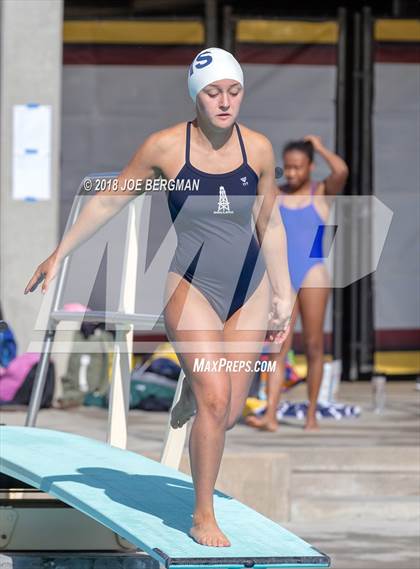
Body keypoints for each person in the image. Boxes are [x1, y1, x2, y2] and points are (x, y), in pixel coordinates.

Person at [24, 48, 293, 547]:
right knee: (216, 400)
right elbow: (109, 198)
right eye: (213, 92)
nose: (225, 101)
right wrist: (60, 253)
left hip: (248, 288)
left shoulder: (257, 148)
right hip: (192, 285)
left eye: (234, 91)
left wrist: (284, 290)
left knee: (229, 411)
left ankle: (196, 385)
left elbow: (269, 220)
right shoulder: (166, 148)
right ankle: (202, 514)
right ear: (196, 96)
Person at [246, 136, 348, 432]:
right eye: (288, 167)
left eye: (298, 167)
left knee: (314, 346)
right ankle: (271, 415)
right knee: (279, 347)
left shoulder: (323, 193)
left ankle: (312, 414)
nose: (291, 173)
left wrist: (319, 147)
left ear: (310, 167)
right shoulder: (276, 194)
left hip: (313, 272)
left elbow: (341, 171)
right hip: (284, 277)